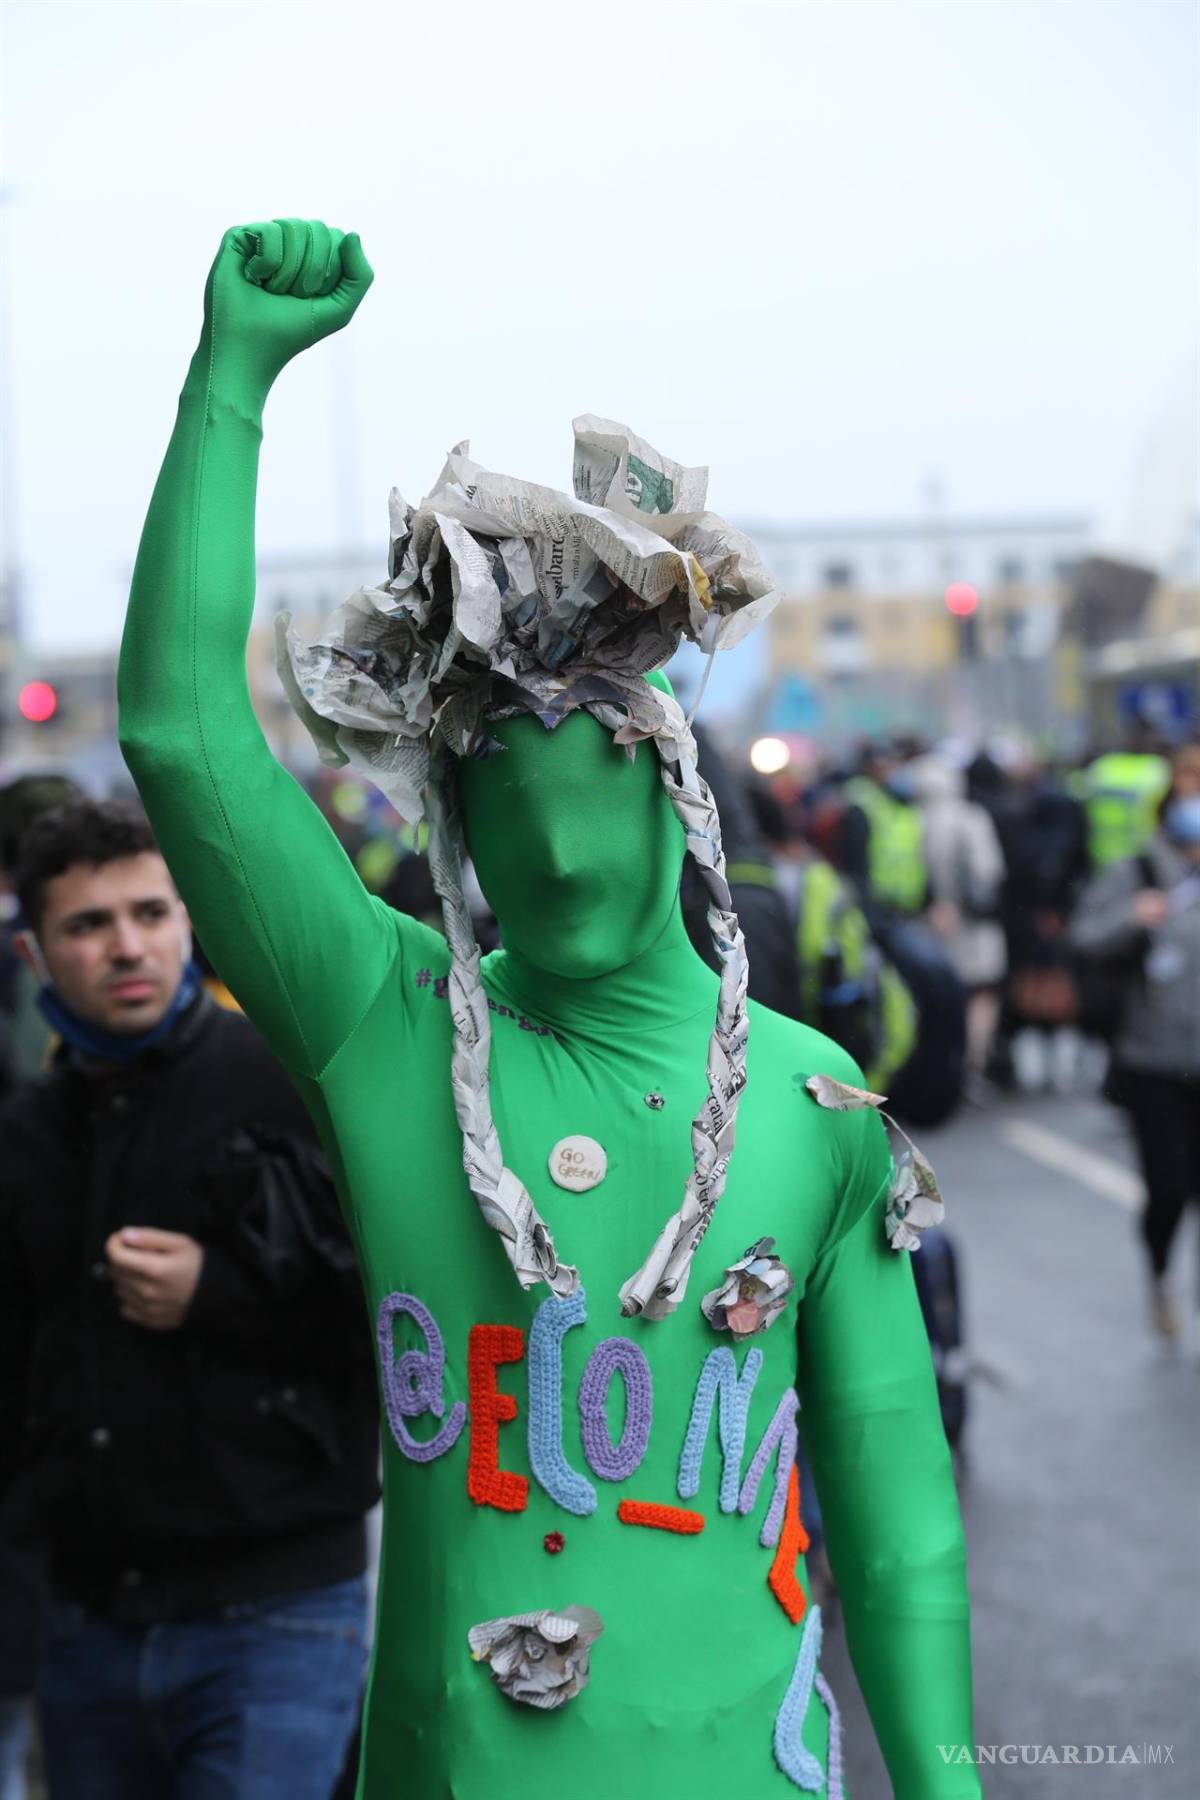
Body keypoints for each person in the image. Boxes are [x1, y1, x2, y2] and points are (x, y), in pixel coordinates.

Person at [118, 216, 981, 1798]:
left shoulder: (810, 1101)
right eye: (499, 786)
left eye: (600, 773)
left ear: (681, 794)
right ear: (448, 814)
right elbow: (183, 739)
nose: (555, 844)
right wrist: (228, 383)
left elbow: (893, 1501)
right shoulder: (393, 1022)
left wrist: (949, 1781)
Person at [0, 800, 379, 1796]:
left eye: (151, 913)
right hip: (86, 1621)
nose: (128, 946)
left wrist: (218, 1292)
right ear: (36, 952)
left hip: (279, 1612)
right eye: (89, 925)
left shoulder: (286, 1083)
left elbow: (398, 1325)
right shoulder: (28, 1132)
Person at [1071, 742, 1200, 1340]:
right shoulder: (1142, 867)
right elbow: (1086, 934)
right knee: (1169, 1186)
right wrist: (1132, 918)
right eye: (1188, 779)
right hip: (1154, 1060)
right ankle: (1159, 1272)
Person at [907, 752, 1007, 1095]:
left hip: (930, 921)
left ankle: (942, 1064)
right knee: (981, 992)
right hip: (973, 924)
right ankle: (971, 1066)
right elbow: (988, 870)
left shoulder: (912, 819)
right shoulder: (971, 817)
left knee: (942, 995)